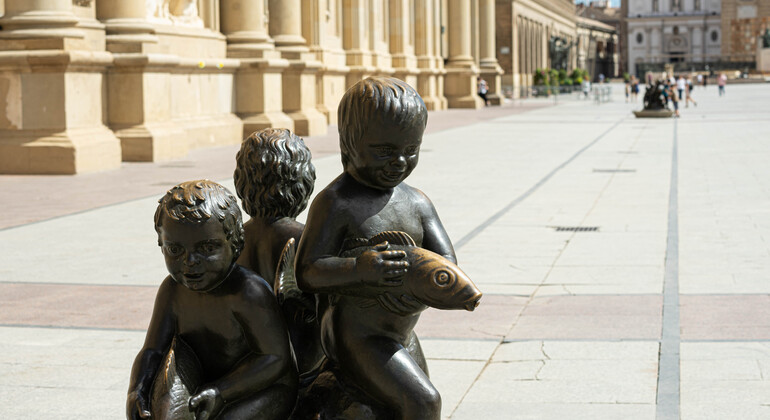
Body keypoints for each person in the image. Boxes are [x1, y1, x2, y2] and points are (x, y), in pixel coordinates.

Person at [296, 77, 455, 420]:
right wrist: (358, 270)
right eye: (384, 151)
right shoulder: (335, 203)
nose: (399, 160)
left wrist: (426, 285)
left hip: (402, 330)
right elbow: (307, 270)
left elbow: (447, 261)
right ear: (349, 144)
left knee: (405, 403)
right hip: (357, 335)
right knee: (424, 402)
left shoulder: (417, 202)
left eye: (410, 150)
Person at [127, 180, 297, 420]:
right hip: (203, 383)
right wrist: (137, 389)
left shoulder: (248, 292)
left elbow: (274, 358)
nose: (190, 261)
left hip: (263, 386)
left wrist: (222, 391)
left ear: (236, 243)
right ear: (161, 245)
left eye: (207, 247)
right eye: (175, 250)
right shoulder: (172, 290)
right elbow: (153, 350)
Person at [233, 128, 324, 379]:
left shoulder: (234, 240)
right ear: (303, 181)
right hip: (301, 363)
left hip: (245, 362)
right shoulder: (308, 239)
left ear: (243, 181)